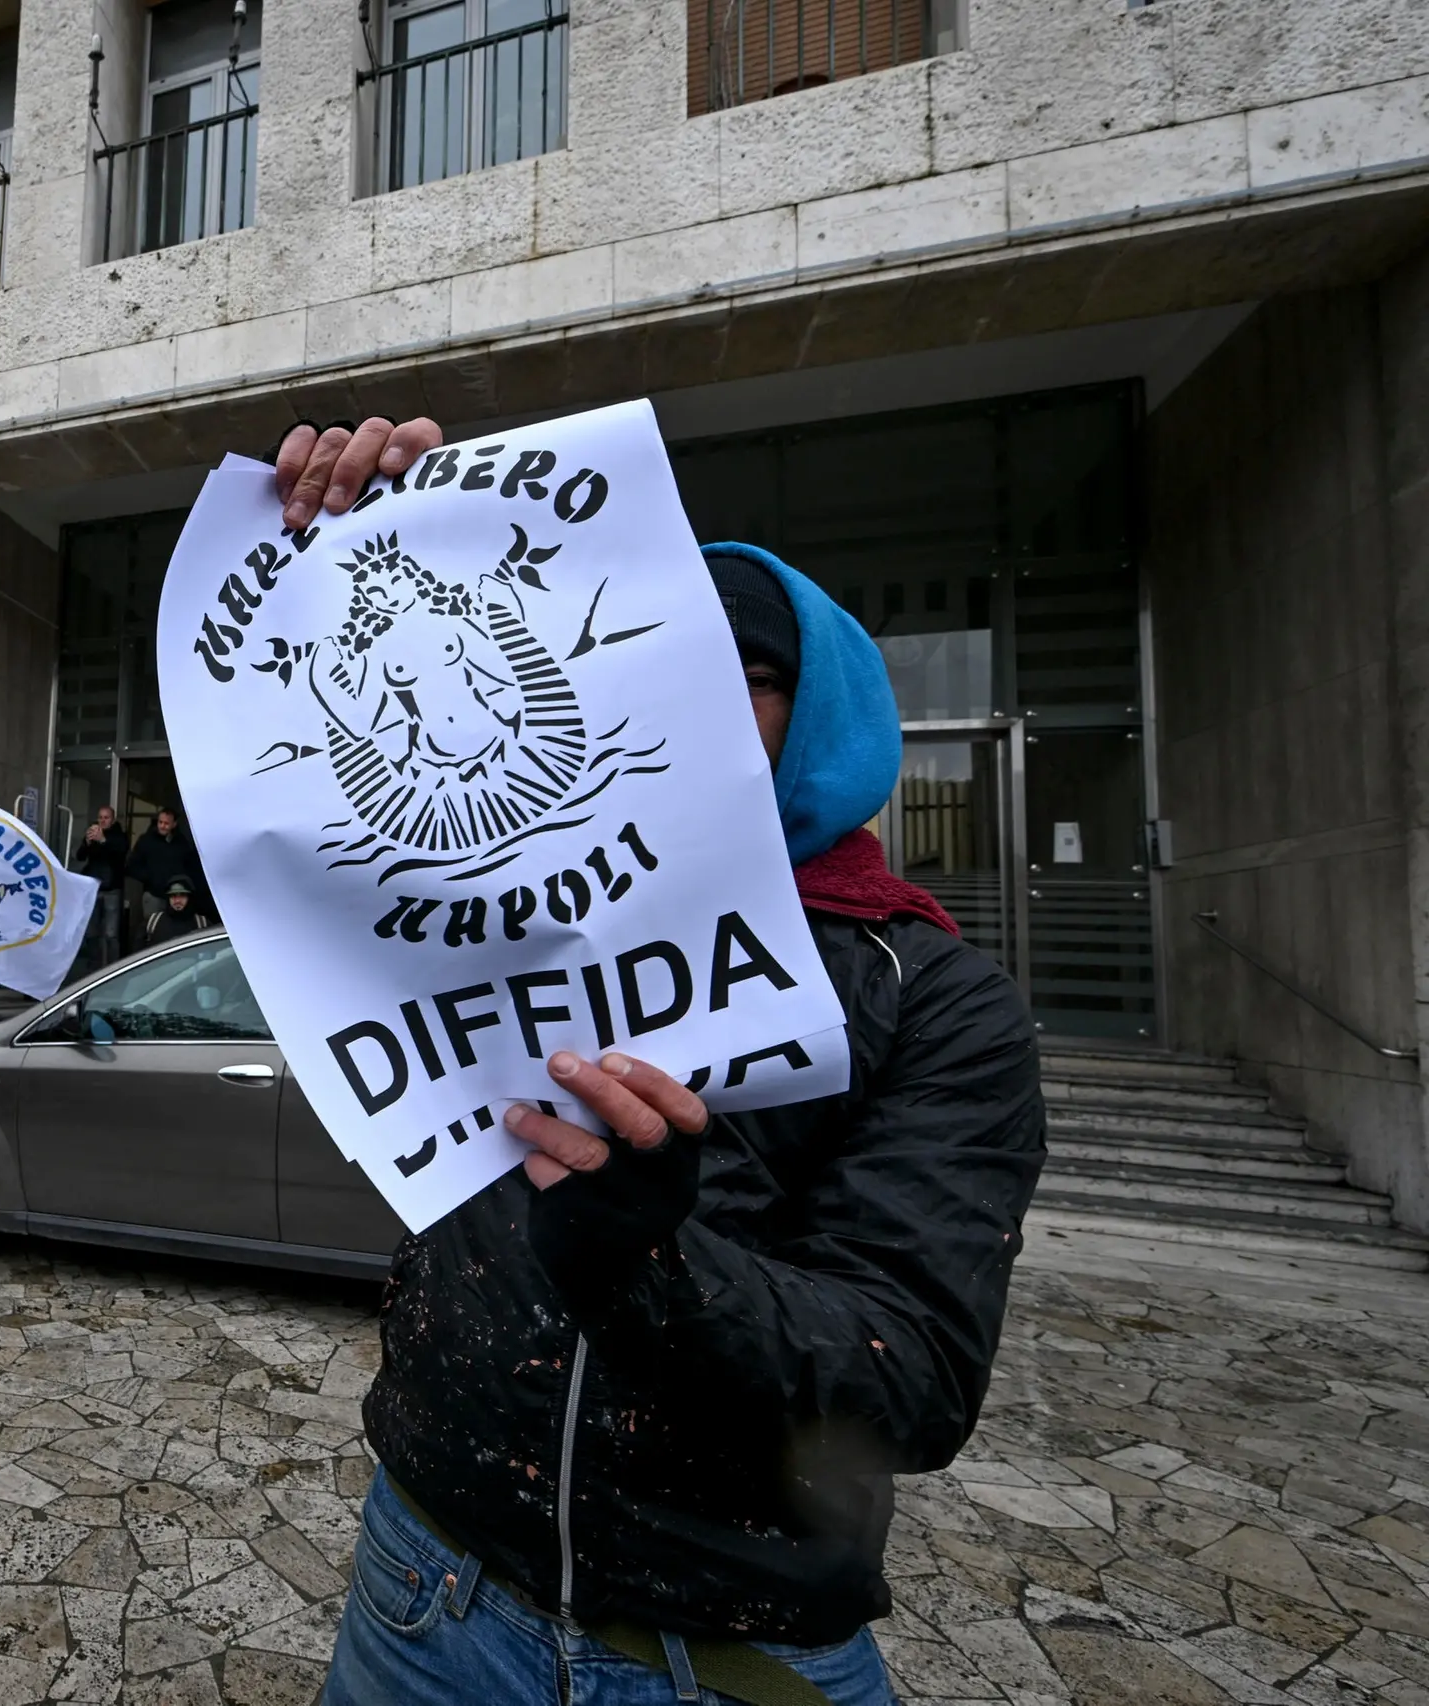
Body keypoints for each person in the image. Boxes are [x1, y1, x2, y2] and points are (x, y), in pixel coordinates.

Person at [274, 420, 1046, 1706]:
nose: (689, 692)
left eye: (743, 669)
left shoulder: (940, 1002)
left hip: (730, 1653)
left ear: (830, 714)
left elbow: (908, 1379)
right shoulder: (498, 916)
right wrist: (375, 534)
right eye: (664, 655)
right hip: (427, 1588)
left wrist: (649, 1258)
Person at [124, 807, 205, 939]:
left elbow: (191, 866)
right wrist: (151, 878)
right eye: (160, 822)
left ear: (174, 824)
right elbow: (131, 866)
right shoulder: (146, 840)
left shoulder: (181, 842)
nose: (162, 826)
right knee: (151, 930)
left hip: (176, 895)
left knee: (176, 932)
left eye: (166, 823)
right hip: (154, 895)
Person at [70, 805, 130, 964]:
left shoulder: (119, 836)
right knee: (91, 932)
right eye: (100, 817)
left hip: (112, 889)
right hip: (93, 888)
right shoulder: (93, 833)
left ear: (113, 819)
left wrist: (103, 840)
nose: (103, 821)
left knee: (111, 934)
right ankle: (94, 969)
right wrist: (88, 843)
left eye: (106, 817)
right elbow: (80, 856)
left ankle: (113, 967)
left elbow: (120, 853)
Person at [141, 877, 212, 946]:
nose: (177, 901)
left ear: (189, 898)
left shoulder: (202, 924)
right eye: (173, 896)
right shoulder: (153, 923)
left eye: (182, 895)